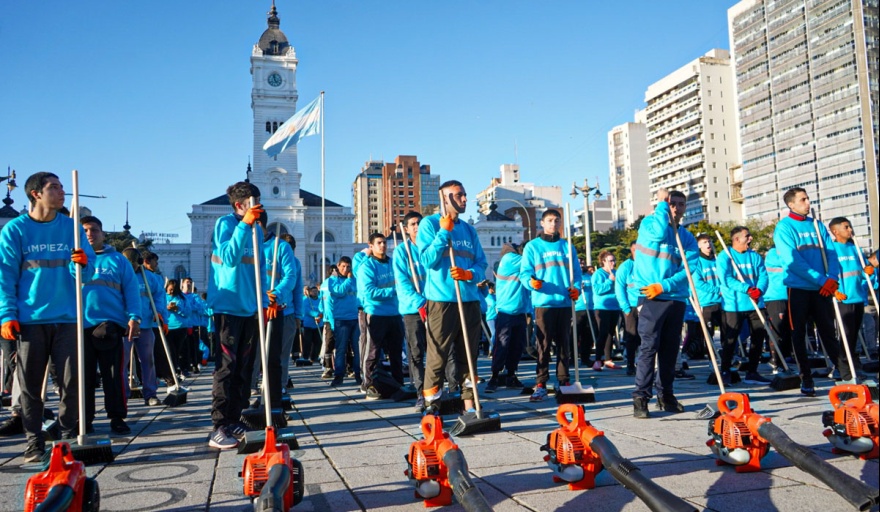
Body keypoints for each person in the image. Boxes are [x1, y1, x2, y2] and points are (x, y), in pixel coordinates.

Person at [0, 172, 96, 461]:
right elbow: (5, 276)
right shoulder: (15, 230)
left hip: (67, 317)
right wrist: (7, 314)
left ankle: (67, 438)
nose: (61, 192)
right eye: (54, 187)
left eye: (62, 187)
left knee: (71, 382)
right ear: (35, 194)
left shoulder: (72, 227)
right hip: (30, 320)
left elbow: (87, 273)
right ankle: (34, 442)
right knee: (30, 386)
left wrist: (81, 264)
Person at [206, 181, 271, 450]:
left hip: (250, 307)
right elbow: (230, 258)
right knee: (227, 367)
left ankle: (235, 417)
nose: (258, 207)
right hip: (228, 308)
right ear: (239, 205)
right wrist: (244, 224)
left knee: (245, 368)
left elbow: (260, 268)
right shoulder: (226, 224)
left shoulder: (256, 230)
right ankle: (218, 426)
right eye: (254, 202)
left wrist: (265, 300)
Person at [417, 180, 487, 414]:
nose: (465, 199)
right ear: (445, 198)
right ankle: (431, 407)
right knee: (437, 356)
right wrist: (443, 232)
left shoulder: (469, 230)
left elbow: (481, 263)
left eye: (465, 195)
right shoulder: (429, 224)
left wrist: (470, 274)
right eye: (458, 195)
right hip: (442, 301)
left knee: (470, 355)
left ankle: (470, 405)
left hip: (469, 300)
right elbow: (426, 261)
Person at [631, 188, 697, 418]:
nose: (676, 208)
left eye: (680, 204)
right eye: (672, 203)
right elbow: (659, 232)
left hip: (674, 297)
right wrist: (661, 204)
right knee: (649, 347)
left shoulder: (686, 237)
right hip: (650, 297)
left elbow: (689, 269)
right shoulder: (649, 224)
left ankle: (666, 394)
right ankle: (641, 396)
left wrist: (666, 285)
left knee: (670, 349)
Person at [773, 187, 841, 396]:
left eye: (808, 198)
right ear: (791, 204)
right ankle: (806, 378)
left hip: (822, 289)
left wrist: (832, 278)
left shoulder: (817, 225)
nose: (808, 203)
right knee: (799, 332)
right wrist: (821, 279)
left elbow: (832, 254)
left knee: (828, 331)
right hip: (799, 288)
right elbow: (793, 262)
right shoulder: (784, 228)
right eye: (803, 200)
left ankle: (844, 373)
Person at [80, 216, 141, 435]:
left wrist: (134, 317)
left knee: (113, 375)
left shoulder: (117, 260)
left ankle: (116, 417)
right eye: (85, 230)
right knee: (82, 377)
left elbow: (131, 291)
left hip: (109, 324)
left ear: (103, 234)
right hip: (79, 326)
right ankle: (84, 419)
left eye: (94, 230)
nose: (89, 234)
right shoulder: (73, 258)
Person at [520, 209, 581, 401]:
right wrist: (531, 282)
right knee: (543, 344)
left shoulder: (567, 246)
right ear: (543, 223)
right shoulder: (532, 247)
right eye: (549, 220)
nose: (553, 224)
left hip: (564, 301)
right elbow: (524, 273)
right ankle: (541, 383)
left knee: (564, 344)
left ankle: (563, 381)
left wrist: (576, 288)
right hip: (543, 302)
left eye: (556, 220)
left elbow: (577, 273)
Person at [716, 226, 771, 386]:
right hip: (734, 305)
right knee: (730, 339)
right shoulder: (725, 256)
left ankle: (752, 371)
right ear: (737, 239)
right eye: (747, 236)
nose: (750, 239)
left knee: (758, 337)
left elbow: (763, 275)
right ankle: (725, 370)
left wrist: (759, 290)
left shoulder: (754, 256)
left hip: (755, 303)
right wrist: (746, 288)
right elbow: (725, 278)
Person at [829, 217, 877, 381]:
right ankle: (843, 369)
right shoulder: (831, 249)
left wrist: (868, 272)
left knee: (854, 336)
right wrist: (834, 290)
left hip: (858, 297)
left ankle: (855, 366)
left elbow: (864, 271)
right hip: (843, 299)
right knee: (846, 336)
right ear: (835, 231)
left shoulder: (854, 248)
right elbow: (829, 274)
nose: (850, 230)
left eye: (850, 227)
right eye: (846, 227)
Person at [357, 233, 403, 398]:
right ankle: (368, 384)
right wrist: (393, 291)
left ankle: (398, 383)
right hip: (375, 314)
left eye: (384, 242)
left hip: (395, 314)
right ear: (371, 246)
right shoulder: (367, 267)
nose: (383, 245)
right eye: (379, 243)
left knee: (396, 352)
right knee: (373, 352)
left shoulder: (394, 264)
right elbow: (369, 292)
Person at [393, 211, 428, 412]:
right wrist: (420, 302)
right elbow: (403, 284)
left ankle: (437, 390)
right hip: (413, 310)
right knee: (415, 353)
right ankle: (421, 393)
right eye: (413, 224)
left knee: (438, 351)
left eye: (419, 223)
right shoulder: (401, 252)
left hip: (433, 307)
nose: (417, 227)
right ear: (406, 229)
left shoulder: (430, 247)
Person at [121, 247, 163, 407]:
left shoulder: (149, 278)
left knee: (147, 360)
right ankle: (122, 394)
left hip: (145, 324)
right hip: (124, 325)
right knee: (122, 362)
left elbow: (159, 295)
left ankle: (150, 394)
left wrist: (158, 311)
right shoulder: (120, 276)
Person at [486, 243, 528, 392]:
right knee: (502, 346)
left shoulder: (513, 262)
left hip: (519, 310)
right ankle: (494, 376)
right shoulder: (509, 258)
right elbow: (531, 260)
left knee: (517, 346)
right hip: (507, 311)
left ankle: (510, 375)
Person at [327, 256, 362, 387]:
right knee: (341, 349)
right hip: (341, 320)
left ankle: (358, 374)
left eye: (348, 267)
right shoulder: (332, 280)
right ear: (338, 266)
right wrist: (348, 280)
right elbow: (339, 292)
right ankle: (339, 376)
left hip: (354, 318)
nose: (346, 269)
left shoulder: (354, 280)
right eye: (343, 266)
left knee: (357, 349)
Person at [278, 233, 303, 392]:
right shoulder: (270, 260)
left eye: (291, 249)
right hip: (268, 311)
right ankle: (254, 383)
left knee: (284, 354)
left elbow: (298, 291)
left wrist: (298, 316)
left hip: (288, 313)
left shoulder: (295, 263)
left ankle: (281, 383)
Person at [763, 245, 792, 372]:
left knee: (786, 330)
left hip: (788, 296)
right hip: (775, 296)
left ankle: (784, 359)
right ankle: (775, 360)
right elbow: (789, 263)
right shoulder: (773, 254)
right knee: (777, 330)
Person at [591, 250, 621, 370]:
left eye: (614, 260)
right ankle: (598, 359)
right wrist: (609, 281)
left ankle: (608, 359)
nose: (613, 263)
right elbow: (597, 290)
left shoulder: (616, 272)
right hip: (602, 307)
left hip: (615, 306)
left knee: (611, 333)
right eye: (610, 261)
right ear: (603, 262)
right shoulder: (598, 274)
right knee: (602, 333)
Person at [615, 241, 640, 376]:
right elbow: (619, 287)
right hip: (631, 306)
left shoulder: (647, 265)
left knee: (647, 336)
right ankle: (630, 364)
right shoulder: (626, 267)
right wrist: (625, 307)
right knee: (632, 336)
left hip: (647, 305)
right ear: (631, 250)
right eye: (635, 250)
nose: (638, 252)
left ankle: (644, 364)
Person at [163, 279, 189, 386]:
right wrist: (166, 308)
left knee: (177, 351)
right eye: (169, 290)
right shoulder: (163, 297)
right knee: (170, 351)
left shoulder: (182, 298)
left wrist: (177, 309)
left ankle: (175, 371)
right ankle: (171, 374)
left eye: (173, 290)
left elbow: (187, 312)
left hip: (180, 328)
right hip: (167, 328)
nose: (171, 292)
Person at [319, 265, 337, 379]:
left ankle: (334, 367)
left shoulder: (340, 282)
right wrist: (322, 312)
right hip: (329, 320)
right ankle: (328, 367)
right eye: (333, 271)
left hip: (339, 318)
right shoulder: (325, 284)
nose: (334, 273)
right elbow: (321, 302)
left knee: (335, 344)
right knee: (329, 344)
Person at [576, 264, 596, 367]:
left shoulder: (589, 277)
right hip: (577, 309)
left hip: (590, 308)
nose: (581, 265)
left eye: (583, 263)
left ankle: (585, 357)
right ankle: (572, 357)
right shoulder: (573, 276)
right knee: (574, 335)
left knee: (587, 335)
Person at [301, 286, 322, 362]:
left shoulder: (320, 300)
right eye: (313, 291)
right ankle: (305, 356)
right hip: (308, 324)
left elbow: (322, 309)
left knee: (317, 341)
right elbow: (307, 310)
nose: (315, 293)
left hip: (318, 324)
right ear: (310, 292)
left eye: (316, 291)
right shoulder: (306, 300)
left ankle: (314, 356)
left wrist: (320, 316)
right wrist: (316, 315)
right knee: (307, 341)